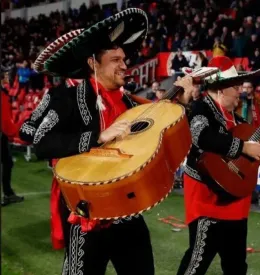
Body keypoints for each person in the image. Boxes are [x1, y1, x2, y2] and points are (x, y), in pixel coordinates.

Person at [18, 9, 194, 275]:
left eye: (124, 58)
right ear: (93, 63)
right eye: (115, 59)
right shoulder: (66, 98)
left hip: (128, 213)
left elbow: (162, 125)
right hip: (86, 215)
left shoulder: (132, 102)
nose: (124, 65)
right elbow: (41, 141)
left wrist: (181, 102)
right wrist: (96, 137)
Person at [177, 56, 260, 275]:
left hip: (236, 200)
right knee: (197, 262)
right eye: (235, 87)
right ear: (220, 90)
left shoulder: (236, 120)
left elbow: (257, 152)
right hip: (206, 199)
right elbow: (201, 136)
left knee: (236, 265)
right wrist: (243, 147)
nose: (239, 91)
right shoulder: (201, 109)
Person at [1, 73, 25, 206]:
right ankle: (8, 194)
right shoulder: (2, 94)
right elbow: (4, 120)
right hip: (1, 135)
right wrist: (13, 132)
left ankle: (8, 193)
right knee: (7, 163)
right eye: (5, 76)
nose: (8, 78)